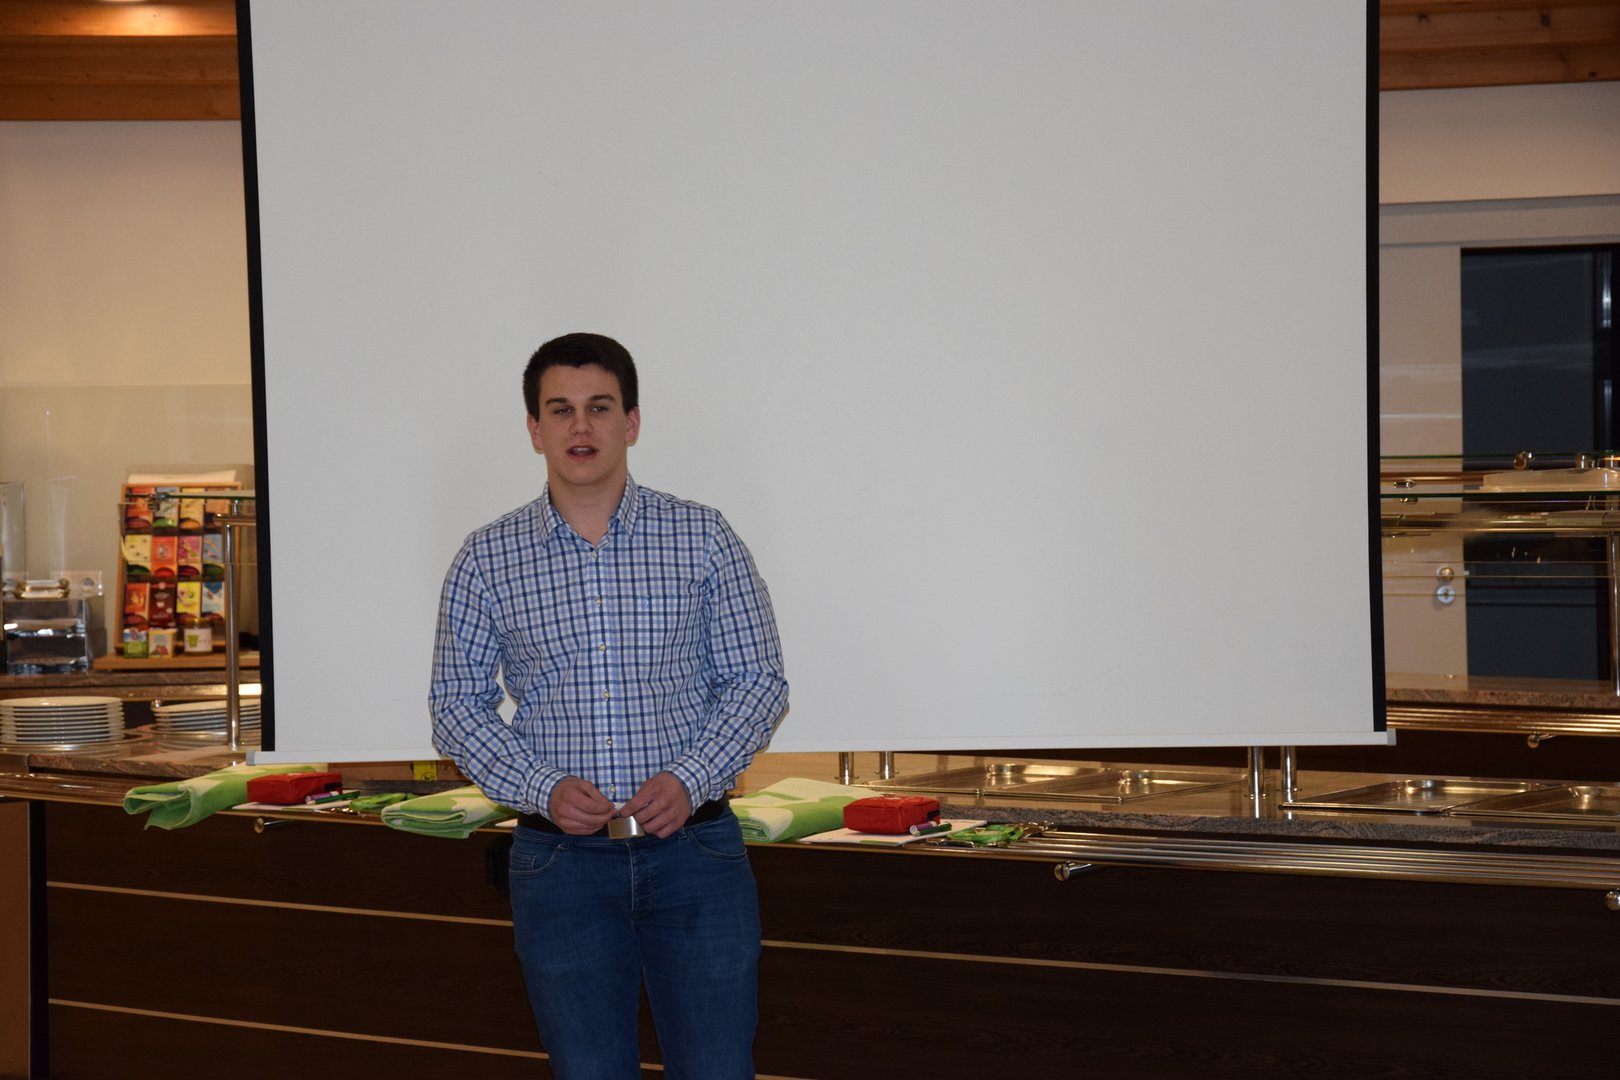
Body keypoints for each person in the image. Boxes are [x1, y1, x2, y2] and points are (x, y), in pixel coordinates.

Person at [429, 332, 788, 1080]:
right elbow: (456, 705)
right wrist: (541, 787)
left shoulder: (702, 537)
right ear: (535, 429)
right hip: (560, 866)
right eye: (560, 410)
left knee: (718, 1069)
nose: (581, 426)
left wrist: (689, 778)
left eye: (599, 406)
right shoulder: (486, 558)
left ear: (632, 421)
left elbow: (758, 680)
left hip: (696, 855)